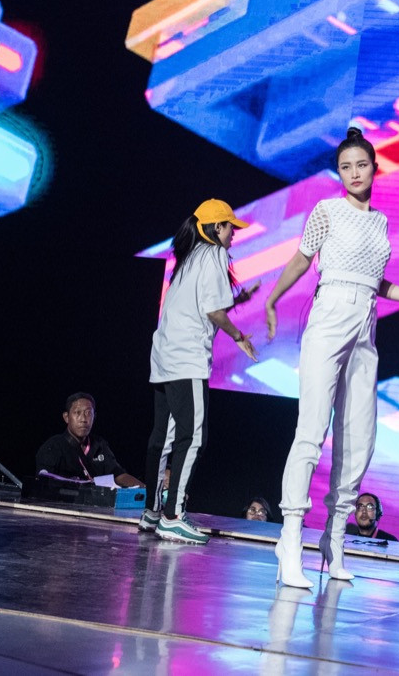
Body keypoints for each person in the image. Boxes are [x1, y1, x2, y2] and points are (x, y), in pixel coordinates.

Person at [266, 127, 399, 589]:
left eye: (361, 165)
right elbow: (302, 259)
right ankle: (289, 539)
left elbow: (375, 283)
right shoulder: (327, 211)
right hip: (329, 315)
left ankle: (335, 537)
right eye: (346, 167)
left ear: (374, 168)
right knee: (312, 431)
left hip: (366, 322)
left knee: (359, 435)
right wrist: (272, 299)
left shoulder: (380, 221)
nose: (354, 173)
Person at [139, 199, 259, 545]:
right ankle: (173, 517)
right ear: (216, 228)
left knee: (162, 438)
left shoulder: (188, 257)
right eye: (230, 227)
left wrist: (239, 301)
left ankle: (152, 512)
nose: (233, 235)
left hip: (164, 355)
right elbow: (213, 311)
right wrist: (239, 337)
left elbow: (202, 305)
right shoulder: (215, 254)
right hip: (186, 358)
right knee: (193, 438)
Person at [35, 393, 143, 488]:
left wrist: (146, 490)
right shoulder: (53, 446)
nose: (83, 419)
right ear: (66, 417)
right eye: (77, 413)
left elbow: (118, 475)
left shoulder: (100, 445)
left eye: (88, 413)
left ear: (94, 417)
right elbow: (43, 481)